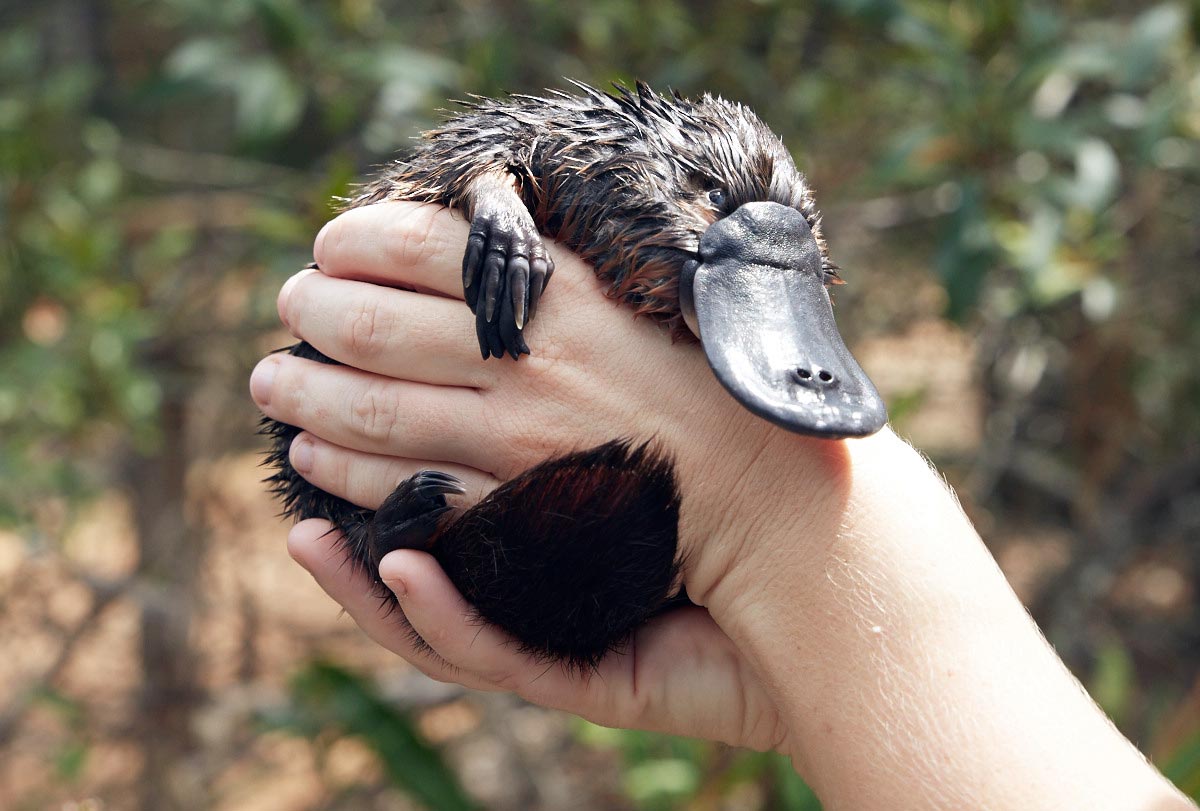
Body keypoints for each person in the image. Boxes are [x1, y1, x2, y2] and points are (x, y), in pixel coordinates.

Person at [250, 201, 1195, 810]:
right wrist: (496, 199)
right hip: (436, 524)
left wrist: (761, 514)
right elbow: (483, 160)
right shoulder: (564, 161)